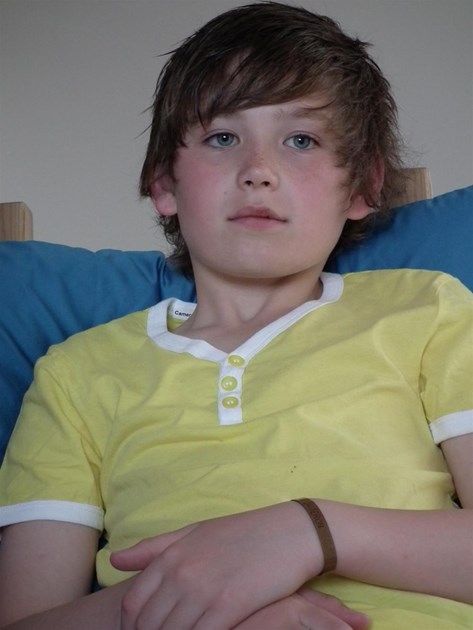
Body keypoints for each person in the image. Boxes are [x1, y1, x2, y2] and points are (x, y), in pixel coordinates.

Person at [0, 2, 472, 628]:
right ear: (164, 182)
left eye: (301, 140)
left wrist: (310, 532)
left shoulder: (426, 309)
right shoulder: (76, 374)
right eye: (223, 138)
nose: (258, 172)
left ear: (361, 186)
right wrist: (202, 602)